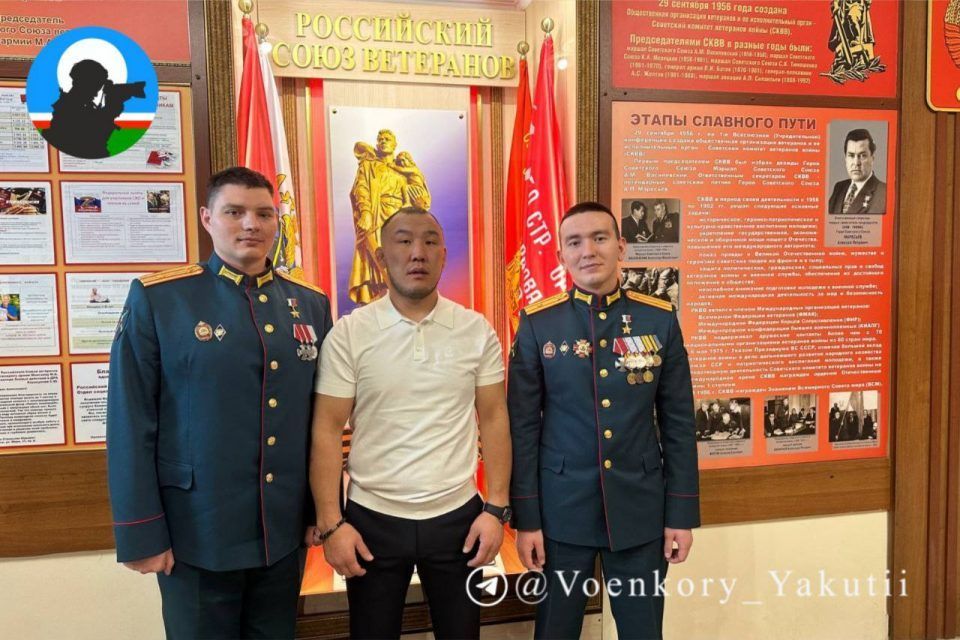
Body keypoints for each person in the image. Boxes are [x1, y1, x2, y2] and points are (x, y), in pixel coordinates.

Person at [106, 167, 333, 639]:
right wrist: (141, 532)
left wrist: (321, 513)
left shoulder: (309, 303)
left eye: (264, 214)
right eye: (235, 212)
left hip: (281, 532)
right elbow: (130, 422)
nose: (251, 224)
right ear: (207, 218)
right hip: (196, 534)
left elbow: (320, 420)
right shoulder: (161, 299)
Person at [310, 206, 512, 639]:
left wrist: (496, 508)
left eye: (429, 241)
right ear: (381, 256)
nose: (417, 252)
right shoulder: (350, 333)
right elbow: (326, 429)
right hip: (372, 520)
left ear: (443, 255)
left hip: (458, 518)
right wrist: (331, 524)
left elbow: (495, 417)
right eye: (403, 241)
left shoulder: (475, 330)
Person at [508, 201, 699, 639]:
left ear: (621, 246)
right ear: (561, 255)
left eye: (599, 238)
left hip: (639, 509)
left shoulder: (658, 318)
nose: (588, 251)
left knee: (642, 631)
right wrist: (527, 519)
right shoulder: (539, 324)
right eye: (575, 242)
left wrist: (681, 514)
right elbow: (523, 428)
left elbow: (678, 422)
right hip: (561, 512)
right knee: (555, 631)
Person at [349, 129, 431, 305]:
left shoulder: (403, 170)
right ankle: (380, 298)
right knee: (377, 260)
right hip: (377, 217)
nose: (383, 141)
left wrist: (419, 202)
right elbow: (361, 189)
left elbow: (420, 198)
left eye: (387, 139)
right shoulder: (368, 166)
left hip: (401, 219)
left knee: (403, 259)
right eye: (380, 139)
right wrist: (366, 213)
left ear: (395, 144)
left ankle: (404, 300)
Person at [828, 129, 887, 215]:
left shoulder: (883, 192)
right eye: (851, 155)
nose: (856, 163)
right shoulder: (839, 187)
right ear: (845, 158)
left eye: (862, 156)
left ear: (872, 158)